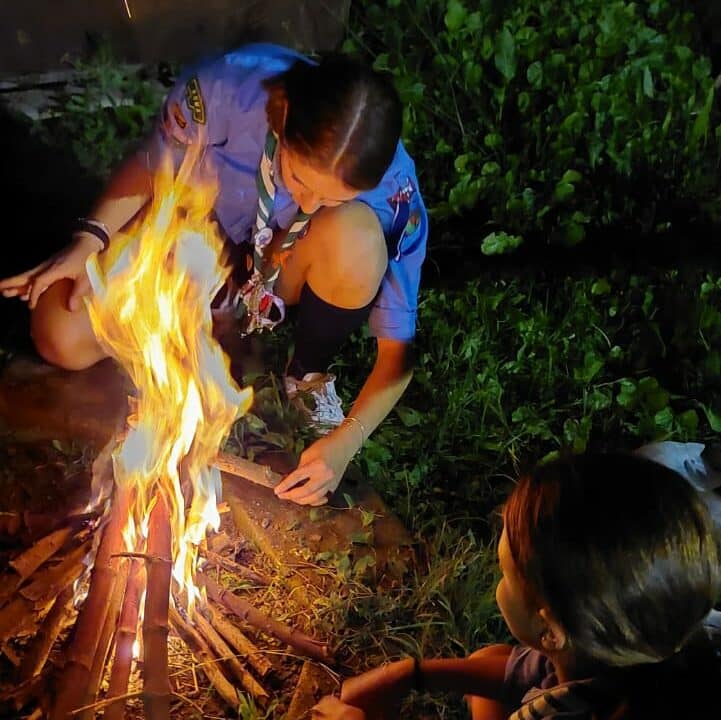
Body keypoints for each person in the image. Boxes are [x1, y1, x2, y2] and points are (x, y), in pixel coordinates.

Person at [0, 43, 428, 507]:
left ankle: (305, 372)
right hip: (195, 245)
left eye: (330, 198)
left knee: (357, 237)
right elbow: (154, 165)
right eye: (300, 179)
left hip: (284, 269)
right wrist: (91, 239)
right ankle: (188, 328)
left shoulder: (394, 191)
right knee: (59, 331)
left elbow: (397, 354)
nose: (308, 203)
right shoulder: (228, 88)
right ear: (283, 119)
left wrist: (346, 442)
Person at [311, 453, 721, 719]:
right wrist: (409, 673)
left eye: (506, 574)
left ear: (550, 629)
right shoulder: (639, 643)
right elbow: (522, 668)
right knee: (490, 658)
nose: (499, 579)